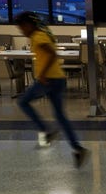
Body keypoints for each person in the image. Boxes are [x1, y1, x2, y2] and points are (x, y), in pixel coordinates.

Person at [14, 11, 90, 168]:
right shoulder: (43, 34)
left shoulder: (38, 36)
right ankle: (78, 149)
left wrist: (41, 74)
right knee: (60, 117)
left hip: (48, 79)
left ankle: (45, 131)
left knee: (23, 102)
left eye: (22, 27)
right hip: (58, 78)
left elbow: (52, 54)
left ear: (29, 25)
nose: (21, 31)